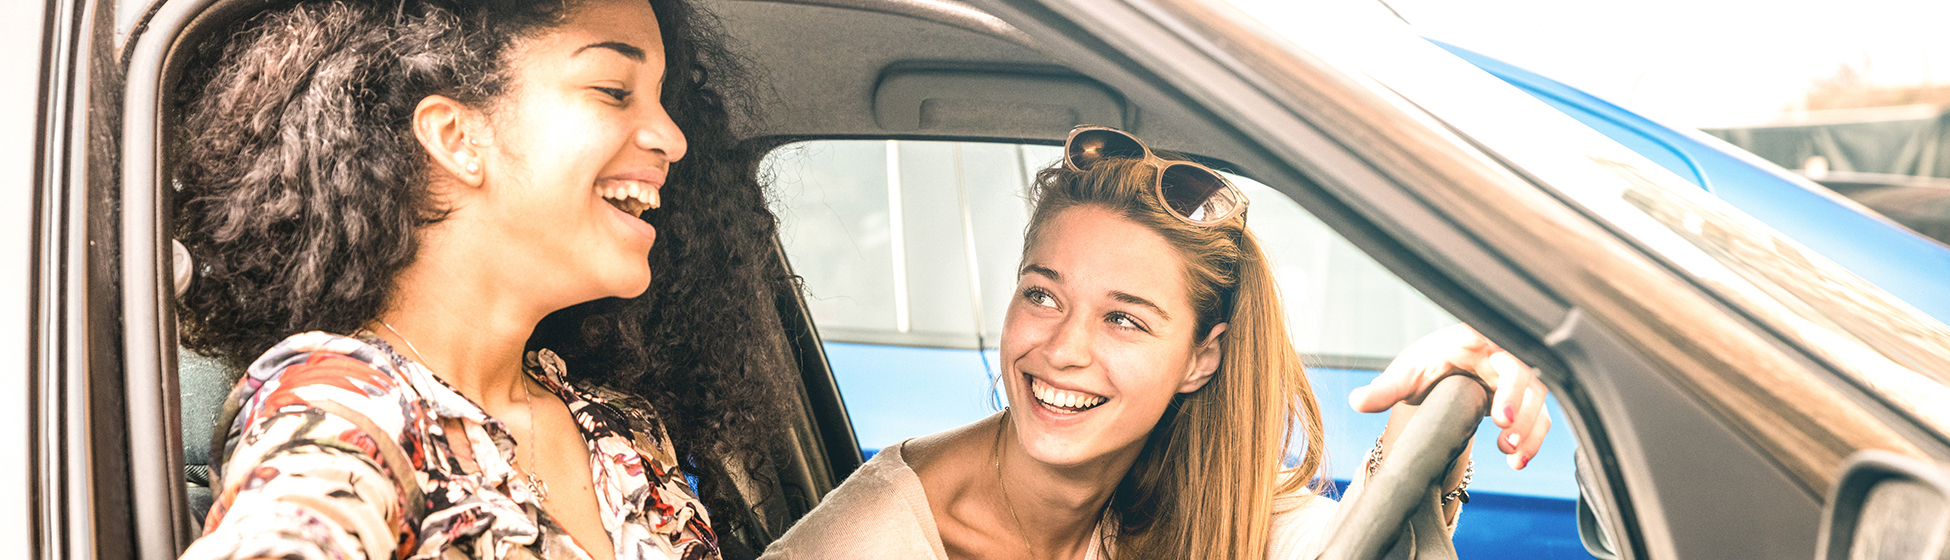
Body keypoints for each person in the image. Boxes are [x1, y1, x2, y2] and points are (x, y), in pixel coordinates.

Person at [172, 0, 792, 558]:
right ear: (456, 136)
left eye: (660, 98)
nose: (674, 139)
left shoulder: (621, 431)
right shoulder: (346, 415)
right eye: (612, 89)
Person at [758, 126, 1553, 559]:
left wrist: (1439, 401)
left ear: (1201, 358)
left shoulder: (1193, 493)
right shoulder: (872, 541)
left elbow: (1338, 545)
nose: (1062, 350)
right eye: (1043, 294)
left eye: (1124, 318)